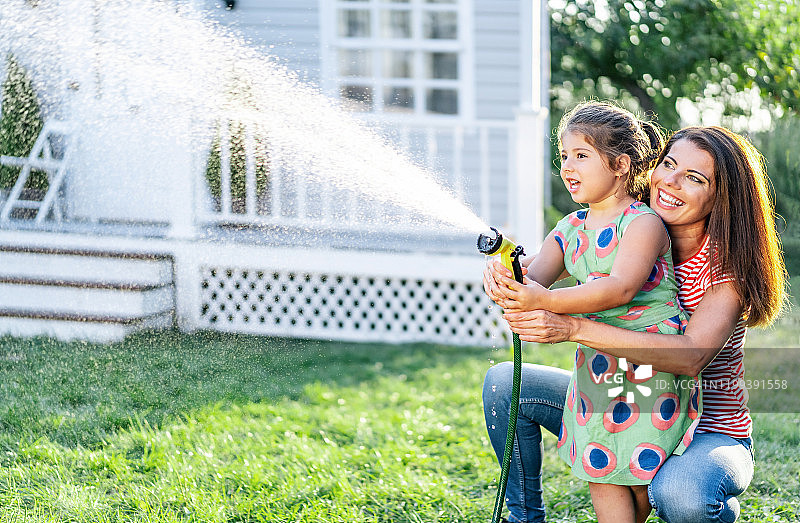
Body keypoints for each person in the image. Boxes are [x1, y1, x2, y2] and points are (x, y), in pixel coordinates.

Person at [483, 124, 788, 523]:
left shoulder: (727, 268)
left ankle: (702, 495)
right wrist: (507, 274)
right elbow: (546, 267)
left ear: (722, 197)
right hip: (614, 393)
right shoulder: (626, 222)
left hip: (706, 427)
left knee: (683, 494)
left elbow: (690, 357)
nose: (671, 183)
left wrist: (573, 328)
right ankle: (524, 517)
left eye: (694, 179)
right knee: (507, 385)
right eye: (669, 165)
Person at [487, 101, 698, 523]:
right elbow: (535, 283)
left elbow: (617, 289)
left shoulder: (642, 224)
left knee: (635, 473)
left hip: (646, 369)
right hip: (597, 368)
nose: (568, 166)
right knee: (601, 468)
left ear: (620, 165)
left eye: (581, 155)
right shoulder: (569, 227)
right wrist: (505, 277)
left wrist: (543, 302)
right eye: (564, 156)